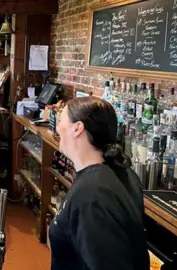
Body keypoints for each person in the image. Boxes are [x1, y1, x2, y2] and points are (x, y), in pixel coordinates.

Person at [50, 97, 150, 270]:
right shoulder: (124, 172)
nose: (58, 127)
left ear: (77, 128)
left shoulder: (91, 196)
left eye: (61, 120)